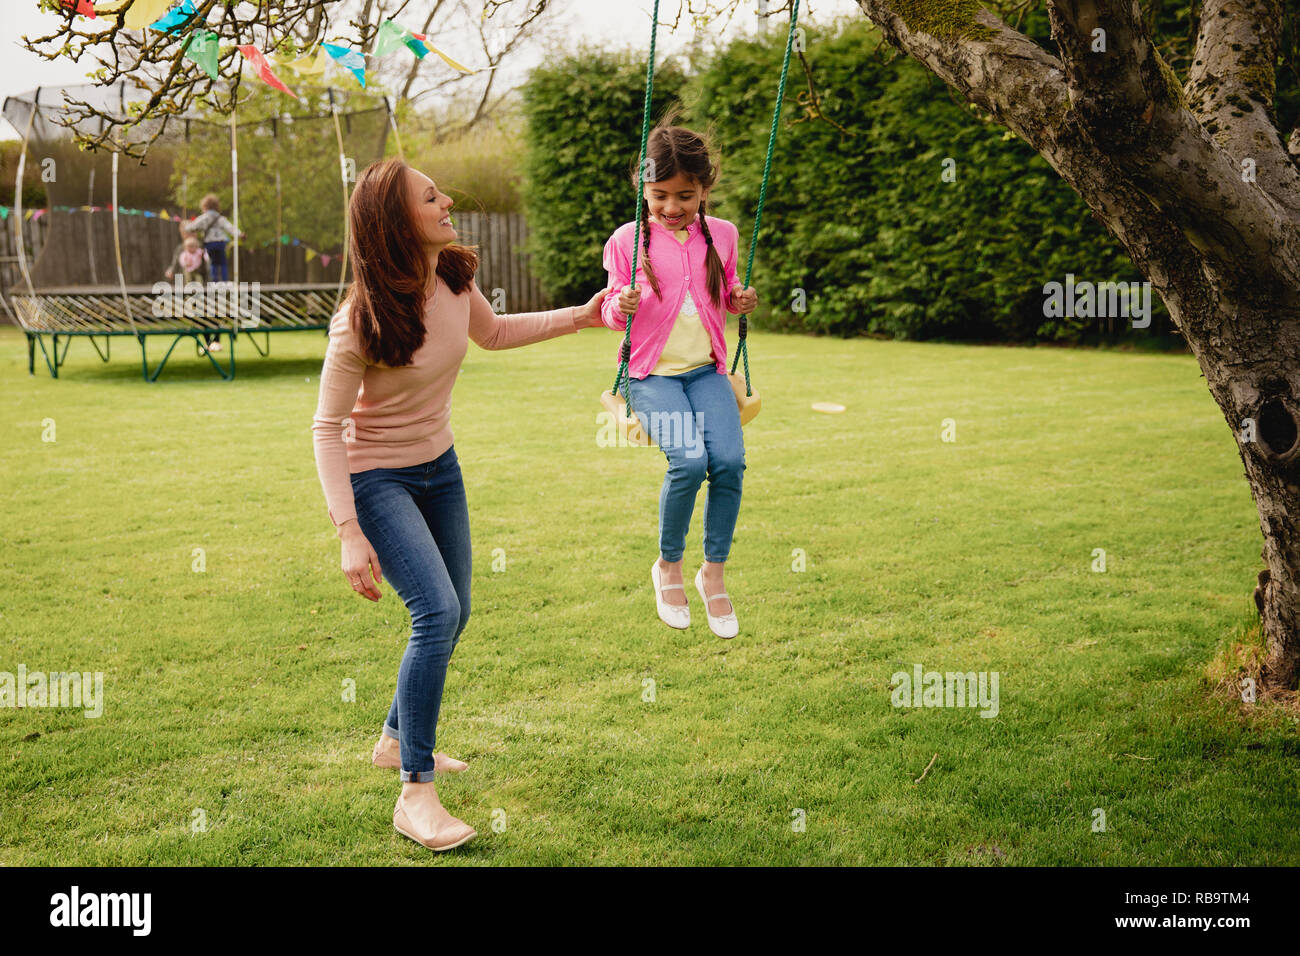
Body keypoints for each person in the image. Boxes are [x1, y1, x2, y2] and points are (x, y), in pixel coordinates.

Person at [312, 157, 606, 852]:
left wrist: (583, 317)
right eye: (430, 196)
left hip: (439, 467)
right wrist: (348, 532)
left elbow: (494, 333)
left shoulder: (450, 276)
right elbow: (326, 426)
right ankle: (416, 793)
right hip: (375, 477)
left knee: (458, 608)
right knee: (436, 611)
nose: (448, 200)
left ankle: (393, 739)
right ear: (395, 221)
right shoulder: (358, 320)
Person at [599, 112, 759, 639]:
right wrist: (619, 305)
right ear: (643, 188)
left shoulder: (724, 235)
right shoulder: (628, 240)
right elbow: (608, 313)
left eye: (685, 196)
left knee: (730, 461)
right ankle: (668, 566)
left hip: (705, 372)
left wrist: (740, 299)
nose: (672, 207)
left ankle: (713, 572)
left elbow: (729, 290)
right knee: (689, 461)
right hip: (651, 377)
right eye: (660, 195)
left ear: (704, 188)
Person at [164, 224, 220, 352]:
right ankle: (207, 342)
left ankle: (216, 340)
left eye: (191, 232)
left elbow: (209, 266)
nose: (188, 235)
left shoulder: (202, 248)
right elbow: (175, 263)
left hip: (205, 287)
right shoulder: (180, 249)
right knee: (197, 315)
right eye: (185, 232)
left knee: (213, 312)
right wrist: (171, 271)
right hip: (187, 288)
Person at [185, 194, 237, 283]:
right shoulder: (220, 218)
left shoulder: (204, 217)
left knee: (213, 262)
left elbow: (193, 226)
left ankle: (215, 281)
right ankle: (224, 281)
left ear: (205, 206)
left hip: (210, 243)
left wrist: (187, 226)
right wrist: (239, 234)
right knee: (223, 262)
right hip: (220, 243)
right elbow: (230, 228)